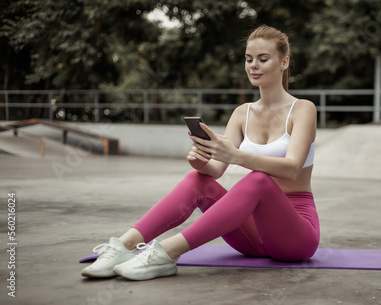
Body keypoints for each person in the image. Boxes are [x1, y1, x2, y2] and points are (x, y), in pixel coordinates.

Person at [81, 25, 319, 281]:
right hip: (253, 237)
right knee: (197, 181)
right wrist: (202, 162)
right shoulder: (242, 113)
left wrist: (235, 155)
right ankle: (125, 245)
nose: (253, 66)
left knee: (258, 179)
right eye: (248, 59)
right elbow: (216, 170)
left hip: (295, 236)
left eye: (263, 59)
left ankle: (167, 252)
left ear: (284, 62)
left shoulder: (303, 109)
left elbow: (293, 167)